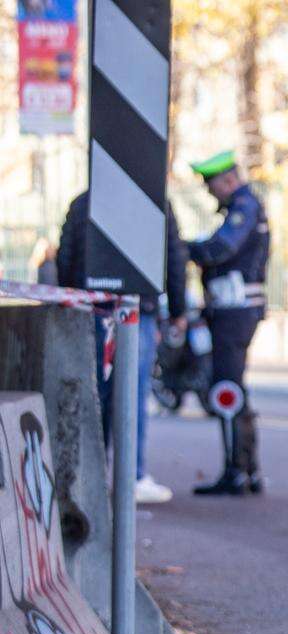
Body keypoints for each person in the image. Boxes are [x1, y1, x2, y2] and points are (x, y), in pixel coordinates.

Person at [56, 191, 189, 504]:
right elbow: (173, 256)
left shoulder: (82, 202)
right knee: (131, 393)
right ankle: (134, 476)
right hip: (136, 308)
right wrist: (178, 308)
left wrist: (69, 302)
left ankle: (92, 475)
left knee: (93, 393)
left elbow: (66, 255)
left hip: (90, 310)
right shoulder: (153, 198)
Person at [185, 150, 271, 496]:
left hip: (235, 312)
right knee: (233, 389)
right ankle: (245, 470)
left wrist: (184, 248)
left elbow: (220, 249)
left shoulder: (244, 208)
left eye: (212, 185)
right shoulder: (243, 206)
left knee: (228, 390)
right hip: (234, 311)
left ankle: (237, 471)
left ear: (229, 180)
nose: (210, 192)